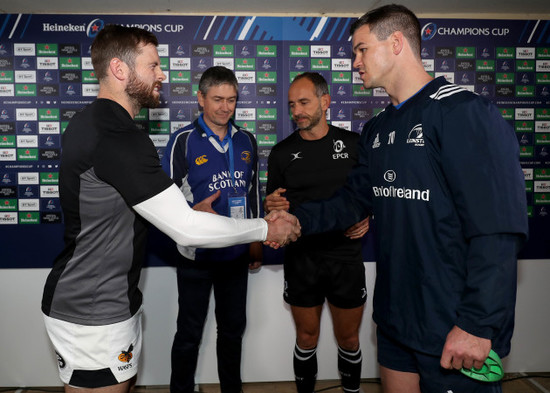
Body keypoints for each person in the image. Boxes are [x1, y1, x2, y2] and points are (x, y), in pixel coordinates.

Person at [41, 25, 299, 393]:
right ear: (120, 69)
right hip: (93, 306)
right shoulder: (118, 136)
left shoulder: (92, 123)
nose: (162, 73)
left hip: (100, 300)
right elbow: (187, 228)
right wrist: (266, 229)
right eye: (153, 65)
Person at [293, 5, 528, 393]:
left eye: (361, 49)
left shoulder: (464, 113)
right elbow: (353, 201)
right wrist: (297, 221)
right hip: (396, 319)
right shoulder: (377, 128)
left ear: (396, 43)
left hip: (454, 324)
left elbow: (497, 231)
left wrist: (476, 324)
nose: (354, 62)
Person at [264, 72, 370, 393]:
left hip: (346, 257)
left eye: (304, 102)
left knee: (349, 339)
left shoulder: (354, 144)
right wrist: (271, 206)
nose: (297, 110)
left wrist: (369, 216)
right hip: (302, 259)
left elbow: (370, 193)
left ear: (325, 102)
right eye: (292, 104)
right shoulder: (281, 153)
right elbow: (273, 209)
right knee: (306, 337)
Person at [161, 66, 262, 393]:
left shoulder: (247, 140)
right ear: (200, 98)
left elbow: (253, 193)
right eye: (217, 99)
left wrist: (257, 238)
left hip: (235, 253)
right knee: (189, 333)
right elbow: (164, 200)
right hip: (196, 256)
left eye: (231, 100)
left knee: (233, 331)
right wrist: (190, 213)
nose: (225, 107)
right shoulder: (182, 141)